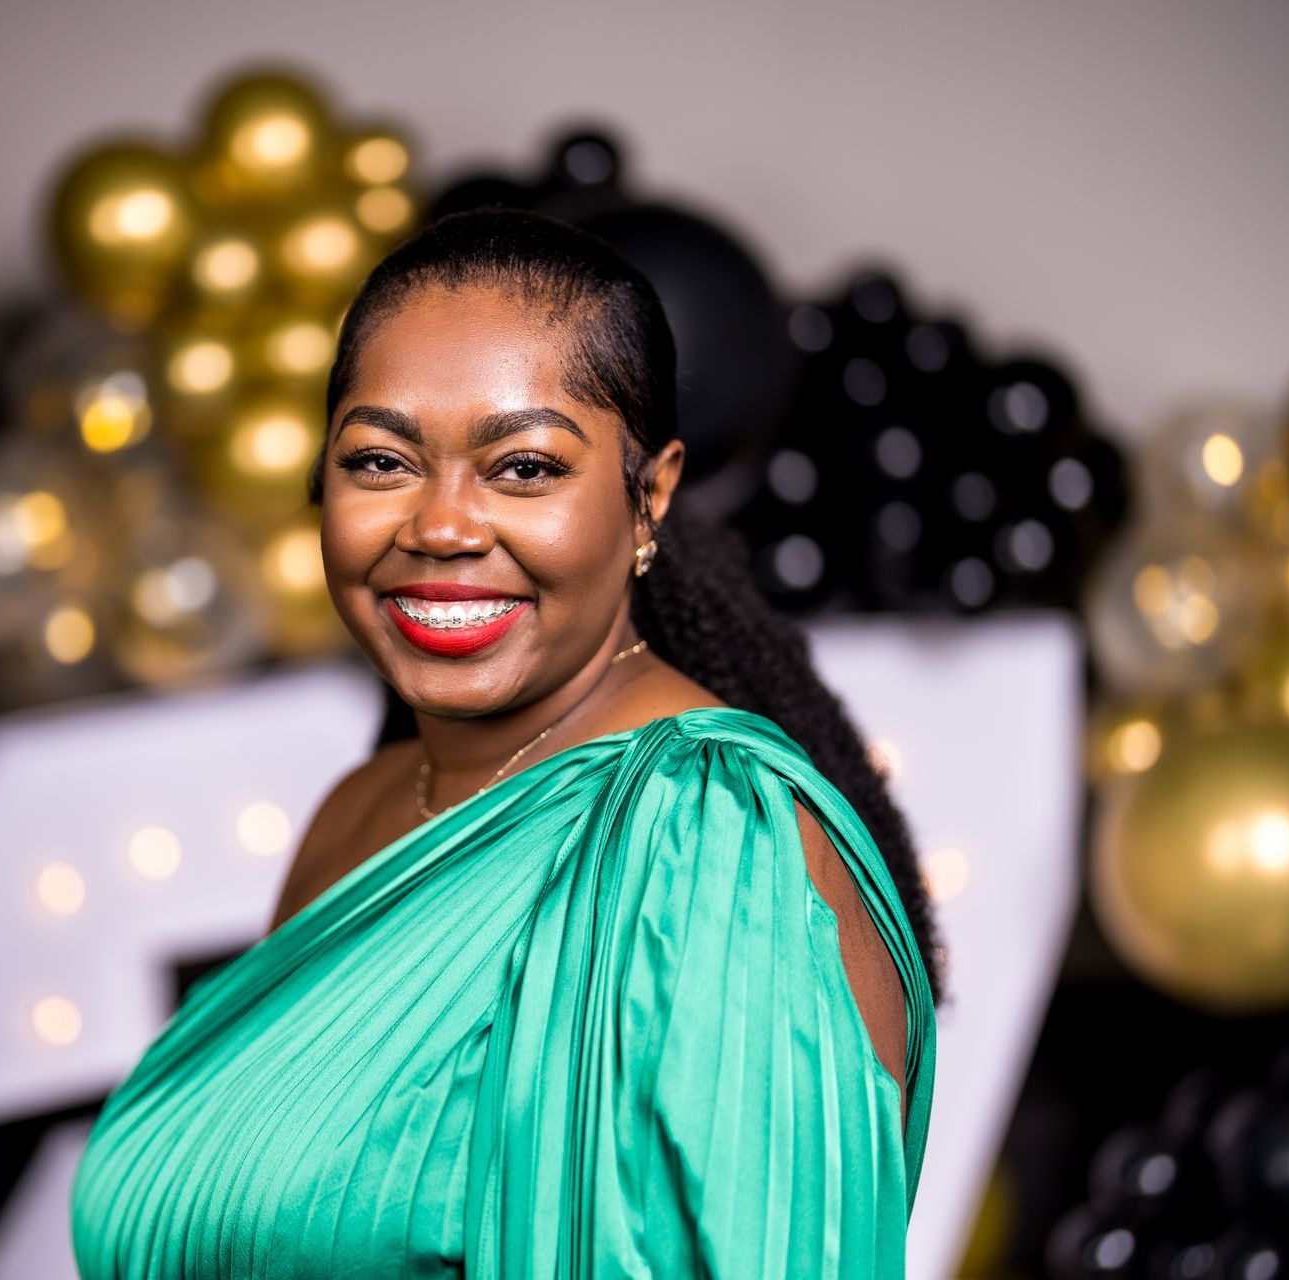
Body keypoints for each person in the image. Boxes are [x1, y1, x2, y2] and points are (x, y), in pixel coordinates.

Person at [71, 208, 943, 1277]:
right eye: (382, 459)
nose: (440, 526)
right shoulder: (358, 808)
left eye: (522, 467)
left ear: (648, 496)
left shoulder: (712, 838)